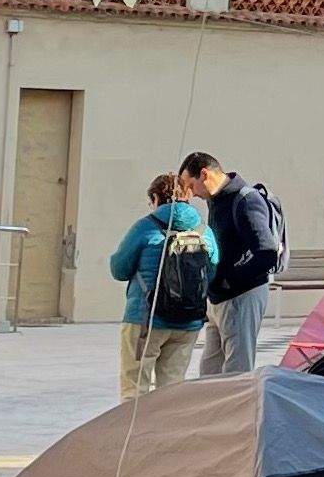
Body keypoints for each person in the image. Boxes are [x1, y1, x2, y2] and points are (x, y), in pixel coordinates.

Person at [111, 173, 217, 401]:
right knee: (171, 392)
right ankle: (165, 435)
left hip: (145, 319)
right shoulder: (204, 232)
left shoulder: (145, 228)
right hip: (188, 323)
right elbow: (212, 272)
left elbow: (118, 269)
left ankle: (134, 436)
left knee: (135, 389)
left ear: (156, 197)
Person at [182, 151, 285, 376]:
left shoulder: (246, 200)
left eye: (190, 185)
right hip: (219, 300)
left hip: (241, 296)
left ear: (204, 174)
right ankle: (213, 411)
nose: (191, 194)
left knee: (236, 372)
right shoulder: (215, 201)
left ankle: (236, 411)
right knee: (209, 371)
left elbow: (267, 252)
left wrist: (231, 280)